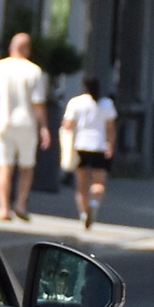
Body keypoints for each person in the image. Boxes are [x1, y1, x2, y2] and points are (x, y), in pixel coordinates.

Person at [0, 32, 49, 222]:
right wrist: (44, 127)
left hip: (3, 123)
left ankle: (3, 208)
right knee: (26, 167)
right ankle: (20, 204)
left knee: (4, 166)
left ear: (11, 47)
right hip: (26, 124)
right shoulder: (34, 70)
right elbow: (38, 102)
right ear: (27, 49)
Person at [61, 75, 117, 233]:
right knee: (99, 183)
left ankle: (84, 214)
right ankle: (94, 203)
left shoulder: (76, 102)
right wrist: (110, 145)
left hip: (80, 146)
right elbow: (111, 128)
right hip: (99, 147)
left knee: (81, 185)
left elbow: (68, 125)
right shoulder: (107, 104)